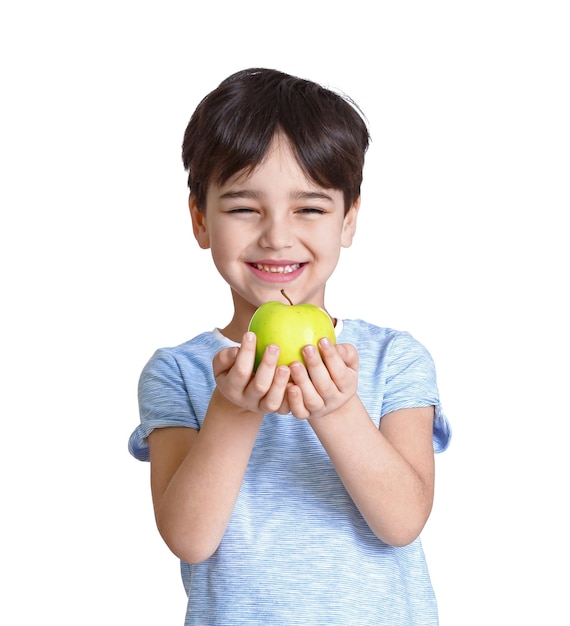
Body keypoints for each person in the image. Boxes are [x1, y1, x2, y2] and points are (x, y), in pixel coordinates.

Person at [128, 67, 451, 626]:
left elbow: (403, 522)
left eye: (310, 208)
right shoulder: (178, 372)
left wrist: (338, 409)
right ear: (200, 220)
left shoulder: (393, 359)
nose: (277, 235)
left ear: (348, 219)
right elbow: (189, 538)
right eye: (243, 208)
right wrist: (233, 407)